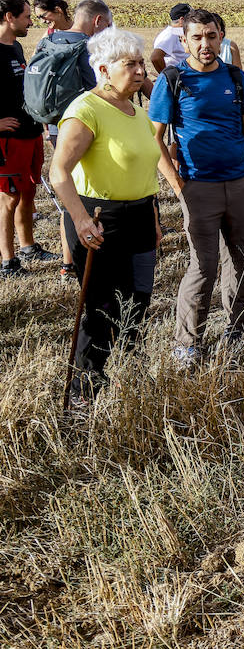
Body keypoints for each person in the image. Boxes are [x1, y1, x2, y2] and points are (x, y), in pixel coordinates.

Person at [49, 28, 177, 407]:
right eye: (130, 64)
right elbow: (59, 173)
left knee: (138, 299)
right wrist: (81, 220)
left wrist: (153, 216)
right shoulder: (86, 110)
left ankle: (129, 374)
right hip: (98, 219)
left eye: (141, 63)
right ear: (104, 69)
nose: (140, 71)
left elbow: (145, 170)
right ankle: (85, 391)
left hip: (140, 214)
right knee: (101, 308)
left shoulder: (138, 111)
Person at [149, 10, 244, 367]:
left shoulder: (234, 75)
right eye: (196, 37)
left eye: (211, 36)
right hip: (198, 186)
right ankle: (187, 342)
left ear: (221, 38)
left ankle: (239, 327)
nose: (205, 44)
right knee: (203, 265)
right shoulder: (173, 80)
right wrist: (179, 185)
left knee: (240, 258)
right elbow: (154, 140)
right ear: (183, 41)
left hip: (241, 182)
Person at [31, 0, 120, 280]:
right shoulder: (87, 48)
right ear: (97, 21)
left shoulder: (51, 41)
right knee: (87, 193)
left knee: (67, 190)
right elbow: (101, 89)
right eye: (106, 23)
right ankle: (86, 257)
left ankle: (68, 262)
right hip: (86, 129)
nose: (107, 29)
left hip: (57, 128)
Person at [0, 0, 59, 275]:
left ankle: (28, 246)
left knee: (27, 192)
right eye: (25, 17)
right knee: (8, 199)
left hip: (30, 132)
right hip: (8, 141)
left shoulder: (16, 48)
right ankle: (8, 261)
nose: (30, 23)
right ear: (9, 17)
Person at [150, 2, 192, 74]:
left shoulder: (177, 32)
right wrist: (166, 76)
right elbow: (155, 57)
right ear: (182, 20)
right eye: (192, 18)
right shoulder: (170, 34)